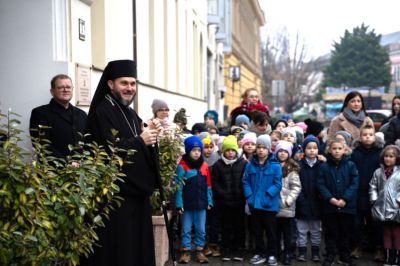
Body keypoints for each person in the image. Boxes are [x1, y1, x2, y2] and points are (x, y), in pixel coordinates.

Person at [83, 59, 160, 266]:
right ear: (110, 84)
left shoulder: (129, 112)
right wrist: (140, 140)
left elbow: (141, 142)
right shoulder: (102, 111)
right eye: (124, 83)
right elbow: (109, 151)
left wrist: (149, 135)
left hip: (135, 194)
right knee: (120, 251)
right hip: (116, 199)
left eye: (133, 84)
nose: (129, 88)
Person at [317, 138, 359, 266]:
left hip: (347, 206)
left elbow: (354, 183)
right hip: (330, 206)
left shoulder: (351, 165)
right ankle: (330, 254)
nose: (336, 151)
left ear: (344, 150)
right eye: (334, 148)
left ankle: (344, 256)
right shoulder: (324, 166)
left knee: (345, 232)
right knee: (330, 232)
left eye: (339, 149)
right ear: (329, 150)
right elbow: (320, 184)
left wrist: (345, 199)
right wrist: (331, 199)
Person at [242, 134, 282, 266]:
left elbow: (277, 184)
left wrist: (267, 196)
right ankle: (259, 253)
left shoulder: (275, 166)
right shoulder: (250, 165)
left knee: (271, 232)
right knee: (257, 231)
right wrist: (249, 197)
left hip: (269, 205)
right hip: (254, 205)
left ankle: (272, 254)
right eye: (258, 147)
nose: (260, 150)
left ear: (269, 149)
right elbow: (245, 181)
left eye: (264, 147)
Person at [174, 135, 213, 264]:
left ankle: (199, 251)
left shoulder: (204, 166)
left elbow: (208, 186)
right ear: (188, 151)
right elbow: (178, 187)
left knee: (201, 229)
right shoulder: (182, 166)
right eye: (193, 150)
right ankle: (185, 251)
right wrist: (179, 204)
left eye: (198, 150)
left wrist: (209, 201)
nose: (197, 153)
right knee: (185, 229)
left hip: (201, 204)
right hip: (187, 205)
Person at [29, 74, 87, 158]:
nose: (65, 90)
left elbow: (88, 141)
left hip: (82, 168)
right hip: (53, 169)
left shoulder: (82, 114)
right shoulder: (40, 113)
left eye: (68, 87)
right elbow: (42, 145)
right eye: (60, 87)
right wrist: (68, 163)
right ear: (52, 91)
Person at [350, 125, 384, 261]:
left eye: (370, 134)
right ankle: (357, 247)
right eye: (365, 134)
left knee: (376, 224)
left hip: (375, 194)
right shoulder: (355, 153)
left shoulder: (380, 152)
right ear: (360, 137)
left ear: (374, 136)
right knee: (356, 223)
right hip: (358, 193)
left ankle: (379, 249)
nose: (368, 137)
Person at [212, 135, 247, 262]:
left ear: (236, 150)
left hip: (239, 201)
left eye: (232, 150)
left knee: (239, 226)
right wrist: (222, 193)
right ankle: (226, 249)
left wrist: (241, 193)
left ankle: (238, 249)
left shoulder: (243, 163)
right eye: (227, 150)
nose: (230, 153)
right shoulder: (218, 165)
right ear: (223, 151)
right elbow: (215, 182)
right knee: (226, 226)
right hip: (224, 202)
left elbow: (246, 181)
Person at [369, 145, 400, 265]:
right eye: (386, 156)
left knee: (396, 233)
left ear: (396, 158)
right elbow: (372, 186)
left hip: (397, 208)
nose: (388, 159)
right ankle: (387, 258)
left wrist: (398, 201)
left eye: (391, 156)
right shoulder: (378, 172)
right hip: (382, 208)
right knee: (386, 232)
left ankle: (395, 258)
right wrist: (374, 200)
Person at [296, 135, 323, 263]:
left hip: (317, 203)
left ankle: (315, 252)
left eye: (314, 148)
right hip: (302, 202)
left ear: (318, 149)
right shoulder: (299, 165)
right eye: (309, 148)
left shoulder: (322, 165)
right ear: (304, 150)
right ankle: (302, 252)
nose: (312, 150)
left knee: (316, 230)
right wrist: (301, 200)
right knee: (301, 230)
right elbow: (297, 184)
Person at [274, 140, 301, 265]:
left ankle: (288, 253)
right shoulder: (272, 165)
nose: (282, 154)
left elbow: (296, 187)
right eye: (280, 151)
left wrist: (288, 201)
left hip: (287, 207)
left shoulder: (292, 169)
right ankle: (277, 251)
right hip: (273, 206)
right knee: (275, 232)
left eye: (285, 151)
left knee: (288, 234)